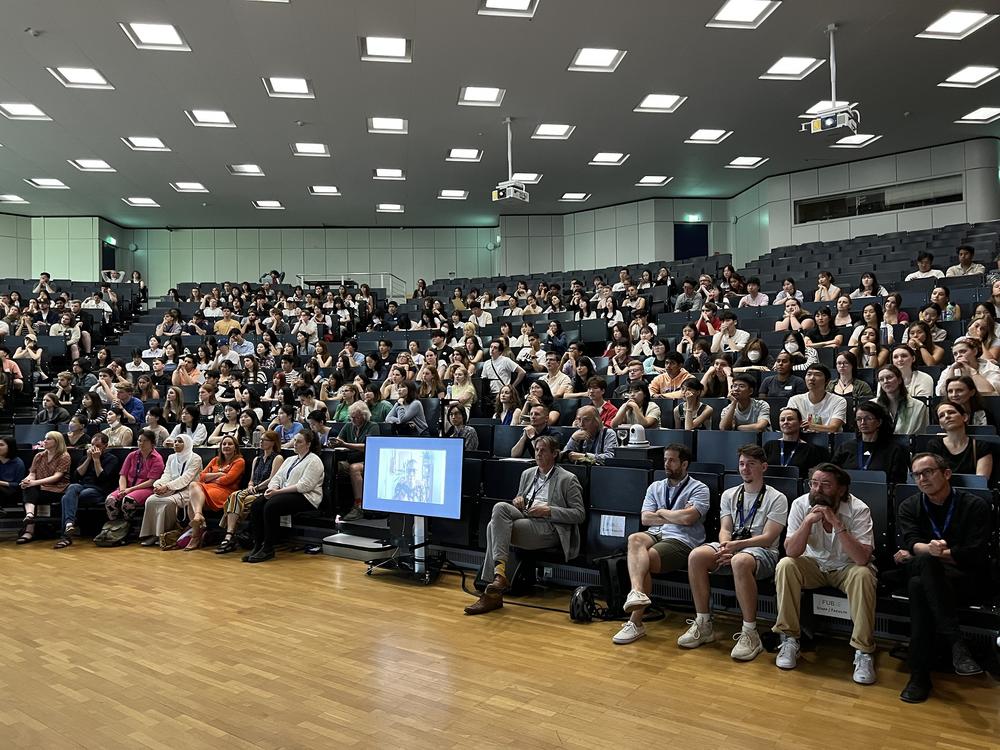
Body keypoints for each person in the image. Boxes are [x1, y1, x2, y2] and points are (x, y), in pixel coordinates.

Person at [894, 453, 991, 703]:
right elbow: (912, 542)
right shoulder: (909, 506)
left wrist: (932, 554)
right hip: (930, 571)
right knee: (926, 565)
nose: (922, 479)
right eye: (916, 475)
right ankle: (956, 644)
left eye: (928, 472)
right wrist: (927, 551)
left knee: (919, 585)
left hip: (962, 577)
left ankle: (919, 677)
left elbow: (975, 553)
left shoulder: (974, 505)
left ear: (946, 473)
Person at [679, 445, 789, 661]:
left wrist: (735, 547)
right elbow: (725, 529)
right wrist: (724, 547)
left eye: (751, 464)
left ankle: (750, 632)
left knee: (740, 561)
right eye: (741, 464)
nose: (745, 468)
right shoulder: (730, 494)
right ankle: (703, 623)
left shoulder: (777, 498)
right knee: (696, 556)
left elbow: (768, 538)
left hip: (763, 552)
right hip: (733, 547)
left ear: (763, 467)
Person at [773, 463, 877, 684]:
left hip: (847, 567)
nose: (817, 490)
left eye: (825, 485)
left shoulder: (859, 509)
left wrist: (837, 523)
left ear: (841, 489)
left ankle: (863, 651)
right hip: (814, 565)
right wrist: (807, 523)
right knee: (785, 565)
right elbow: (792, 552)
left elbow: (862, 558)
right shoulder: (801, 504)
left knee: (864, 575)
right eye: (814, 484)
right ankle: (789, 639)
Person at [465, 435, 585, 615]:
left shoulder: (568, 479)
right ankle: (499, 576)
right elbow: (519, 499)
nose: (538, 454)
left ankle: (492, 591)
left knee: (492, 528)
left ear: (554, 454)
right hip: (525, 516)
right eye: (536, 450)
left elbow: (579, 514)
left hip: (549, 526)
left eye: (543, 450)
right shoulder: (527, 473)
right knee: (499, 508)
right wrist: (518, 500)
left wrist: (549, 510)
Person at [614, 444, 711, 644]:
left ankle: (635, 622)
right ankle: (636, 593)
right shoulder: (655, 487)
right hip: (655, 533)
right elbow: (645, 519)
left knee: (645, 560)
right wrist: (676, 515)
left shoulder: (699, 488)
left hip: (682, 539)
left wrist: (661, 512)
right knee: (634, 538)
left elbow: (688, 519)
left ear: (684, 464)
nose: (666, 464)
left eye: (672, 460)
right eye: (665, 459)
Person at [245, 429, 325, 563]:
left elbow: (304, 486)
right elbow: (277, 478)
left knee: (271, 506)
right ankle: (257, 544)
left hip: (306, 497)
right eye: (295, 440)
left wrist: (278, 492)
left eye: (299, 442)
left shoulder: (314, 460)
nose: (295, 444)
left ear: (308, 444)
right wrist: (273, 488)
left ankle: (268, 547)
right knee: (257, 504)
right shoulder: (290, 459)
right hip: (284, 493)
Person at [216, 430, 284, 553]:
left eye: (264, 440)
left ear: (273, 442)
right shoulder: (257, 459)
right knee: (234, 496)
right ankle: (230, 535)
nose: (261, 442)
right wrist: (251, 485)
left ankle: (229, 534)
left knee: (233, 500)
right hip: (253, 490)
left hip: (266, 492)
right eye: (261, 439)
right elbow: (251, 479)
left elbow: (272, 479)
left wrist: (256, 488)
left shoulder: (277, 458)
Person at [54, 432, 120, 549]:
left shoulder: (112, 459)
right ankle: (69, 524)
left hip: (99, 490)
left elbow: (102, 478)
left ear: (105, 446)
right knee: (72, 487)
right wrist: (89, 459)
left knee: (66, 498)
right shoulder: (86, 457)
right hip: (82, 486)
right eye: (92, 445)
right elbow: (77, 476)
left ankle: (66, 535)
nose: (94, 448)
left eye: (98, 446)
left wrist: (96, 460)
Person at [138, 434, 204, 547]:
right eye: (175, 441)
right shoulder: (171, 457)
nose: (176, 443)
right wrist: (159, 485)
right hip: (171, 488)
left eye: (180, 441)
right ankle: (153, 534)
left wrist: (167, 487)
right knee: (151, 500)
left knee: (168, 502)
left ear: (187, 444)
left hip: (189, 490)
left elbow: (186, 478)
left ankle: (166, 534)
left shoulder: (195, 458)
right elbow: (167, 474)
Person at [186, 436, 246, 550]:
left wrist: (211, 478)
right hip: (208, 488)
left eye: (230, 444)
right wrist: (219, 474)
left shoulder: (239, 461)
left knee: (192, 500)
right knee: (193, 485)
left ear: (235, 447)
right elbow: (201, 476)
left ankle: (196, 536)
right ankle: (198, 517)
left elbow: (227, 480)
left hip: (225, 491)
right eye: (224, 444)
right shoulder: (215, 460)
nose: (226, 446)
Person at [832, 401, 910, 483]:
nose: (863, 423)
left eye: (868, 418)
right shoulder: (845, 447)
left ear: (879, 422)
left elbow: (898, 481)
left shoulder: (894, 450)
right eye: (859, 419)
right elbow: (833, 474)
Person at [103, 430, 165, 530]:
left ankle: (128, 527)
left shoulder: (157, 458)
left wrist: (130, 490)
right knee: (110, 500)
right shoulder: (132, 455)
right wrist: (123, 489)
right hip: (127, 487)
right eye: (139, 440)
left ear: (152, 443)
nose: (141, 443)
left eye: (145, 441)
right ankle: (113, 527)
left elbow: (152, 481)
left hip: (145, 488)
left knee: (128, 501)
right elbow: (123, 475)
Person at [17, 431, 71, 544]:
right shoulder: (39, 455)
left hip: (57, 489)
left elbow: (57, 477)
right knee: (27, 488)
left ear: (57, 442)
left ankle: (29, 530)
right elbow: (32, 473)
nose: (44, 441)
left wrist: (34, 483)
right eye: (45, 438)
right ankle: (29, 516)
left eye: (48, 439)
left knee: (31, 491)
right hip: (40, 487)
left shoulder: (64, 456)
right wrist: (27, 480)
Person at [927, 401, 993, 480]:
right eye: (941, 416)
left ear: (964, 417)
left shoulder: (981, 446)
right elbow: (934, 479)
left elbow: (980, 482)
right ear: (941, 424)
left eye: (951, 412)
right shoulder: (934, 445)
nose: (947, 416)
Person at [763, 407, 830, 473]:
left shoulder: (811, 450)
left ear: (800, 423)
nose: (785, 422)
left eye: (790, 419)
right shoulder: (769, 446)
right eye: (782, 420)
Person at [787, 364, 847, 433]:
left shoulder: (839, 401)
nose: (811, 378)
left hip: (829, 439)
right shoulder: (795, 400)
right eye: (809, 374)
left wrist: (811, 426)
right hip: (802, 439)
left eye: (817, 375)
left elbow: (833, 428)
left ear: (827, 381)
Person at [874, 364, 928, 435]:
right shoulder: (873, 405)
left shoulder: (918, 406)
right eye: (881, 379)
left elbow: (919, 435)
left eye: (889, 377)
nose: (885, 381)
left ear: (899, 380)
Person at [0, 437, 27, 507]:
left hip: (11, 491)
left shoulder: (18, 463)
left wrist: (1, 483)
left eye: (1, 445)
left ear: (10, 447)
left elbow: (19, 484)